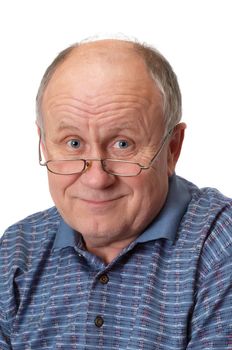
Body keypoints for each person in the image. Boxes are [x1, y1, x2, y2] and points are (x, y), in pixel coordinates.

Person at [0, 37, 232, 350]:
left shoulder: (220, 246)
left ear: (172, 149)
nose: (96, 179)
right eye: (73, 143)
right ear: (44, 144)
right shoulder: (15, 252)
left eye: (123, 144)